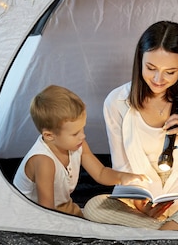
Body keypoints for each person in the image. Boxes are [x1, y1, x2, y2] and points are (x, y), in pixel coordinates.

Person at [83, 21, 178, 230]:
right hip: (145, 207)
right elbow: (123, 169)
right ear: (140, 59)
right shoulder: (116, 102)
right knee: (94, 206)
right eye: (151, 68)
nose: (158, 79)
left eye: (170, 72)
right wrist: (140, 205)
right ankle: (174, 231)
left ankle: (163, 233)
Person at [13, 85, 150, 218]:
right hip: (35, 217)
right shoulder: (43, 161)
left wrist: (123, 177)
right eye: (75, 133)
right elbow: (45, 211)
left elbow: (101, 173)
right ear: (49, 136)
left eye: (82, 129)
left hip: (65, 208)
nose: (82, 136)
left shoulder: (78, 144)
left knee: (104, 210)